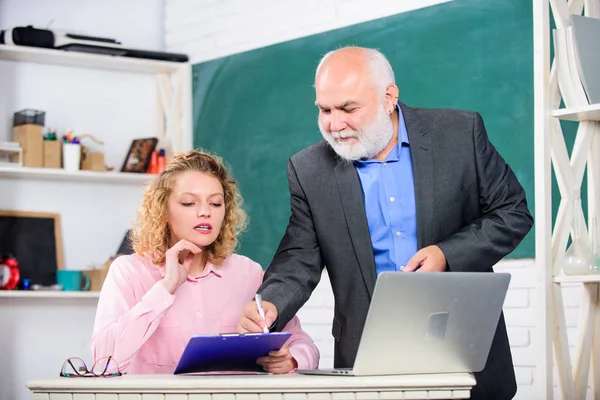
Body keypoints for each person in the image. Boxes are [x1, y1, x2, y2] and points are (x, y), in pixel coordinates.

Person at [238, 47, 533, 399]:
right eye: (324, 110)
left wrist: (446, 255)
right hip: (368, 358)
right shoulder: (308, 170)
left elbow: (512, 211)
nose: (334, 124)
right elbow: (298, 258)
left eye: (348, 108)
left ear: (389, 97)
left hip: (461, 342)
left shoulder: (460, 133)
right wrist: (270, 304)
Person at [92, 150, 319, 374]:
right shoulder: (128, 272)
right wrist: (166, 287)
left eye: (216, 203)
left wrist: (291, 360)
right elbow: (103, 361)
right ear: (163, 210)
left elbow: (304, 345)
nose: (204, 212)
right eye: (189, 203)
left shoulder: (248, 273)